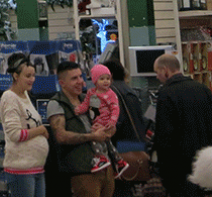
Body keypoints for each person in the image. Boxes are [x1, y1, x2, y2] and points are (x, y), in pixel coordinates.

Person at [152, 54, 212, 197]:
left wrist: (162, 170)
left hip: (179, 168)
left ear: (165, 70)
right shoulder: (203, 89)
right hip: (204, 163)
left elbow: (164, 135)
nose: (157, 76)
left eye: (157, 72)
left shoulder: (166, 93)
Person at [47, 61, 115, 197]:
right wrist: (92, 136)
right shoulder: (56, 104)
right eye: (74, 78)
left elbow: (108, 126)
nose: (80, 82)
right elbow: (61, 136)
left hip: (106, 167)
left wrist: (108, 129)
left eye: (80, 77)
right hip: (82, 171)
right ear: (62, 83)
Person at [0, 53, 48, 197]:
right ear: (15, 76)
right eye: (28, 76)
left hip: (36, 168)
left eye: (33, 75)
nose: (32, 79)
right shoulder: (9, 98)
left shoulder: (25, 94)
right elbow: (15, 134)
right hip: (21, 171)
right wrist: (40, 130)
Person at [103, 60, 148, 197]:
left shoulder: (110, 93)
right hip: (135, 143)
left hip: (119, 145)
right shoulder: (131, 91)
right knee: (131, 188)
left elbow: (116, 122)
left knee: (118, 189)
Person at [74, 65, 129, 176]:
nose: (106, 81)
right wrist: (79, 109)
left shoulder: (110, 94)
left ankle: (100, 158)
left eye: (108, 78)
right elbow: (86, 104)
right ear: (95, 80)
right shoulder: (91, 93)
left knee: (94, 138)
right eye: (102, 78)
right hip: (96, 121)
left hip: (105, 122)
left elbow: (115, 108)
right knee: (107, 142)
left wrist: (112, 122)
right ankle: (118, 161)